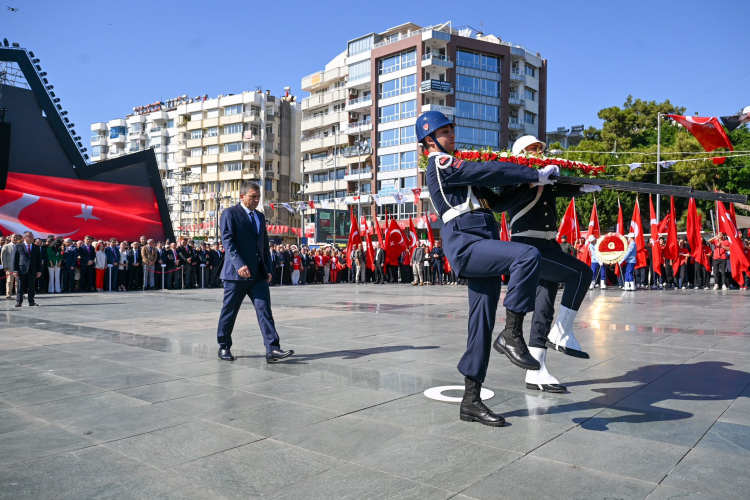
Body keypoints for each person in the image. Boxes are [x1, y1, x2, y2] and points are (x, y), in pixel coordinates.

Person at [420, 111, 551, 426]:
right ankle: (512, 333)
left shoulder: (460, 171)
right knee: (526, 256)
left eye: (451, 129)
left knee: (480, 324)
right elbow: (488, 170)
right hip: (466, 245)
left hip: (482, 243)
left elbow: (499, 203)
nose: (452, 134)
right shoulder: (441, 163)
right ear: (429, 140)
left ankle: (471, 401)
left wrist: (540, 184)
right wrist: (531, 172)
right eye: (444, 130)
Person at [498, 135, 598, 394]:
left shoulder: (547, 178)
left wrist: (583, 187)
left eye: (541, 150)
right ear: (521, 154)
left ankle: (536, 369)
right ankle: (562, 333)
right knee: (581, 273)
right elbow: (504, 199)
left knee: (544, 309)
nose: (539, 154)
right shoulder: (513, 178)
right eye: (533, 150)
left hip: (549, 245)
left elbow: (561, 187)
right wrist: (534, 179)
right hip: (528, 247)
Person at [216, 180, 293, 363]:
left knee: (264, 310)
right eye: (253, 196)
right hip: (236, 275)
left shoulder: (259, 217)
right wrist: (239, 264)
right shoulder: (230, 213)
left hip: (258, 275)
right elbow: (228, 241)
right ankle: (224, 346)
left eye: (258, 197)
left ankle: (273, 348)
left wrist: (268, 269)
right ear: (242, 196)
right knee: (230, 310)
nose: (257, 200)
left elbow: (264, 246)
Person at [12, 231, 42, 307]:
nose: (32, 238)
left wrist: (39, 270)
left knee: (31, 286)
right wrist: (15, 270)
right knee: (20, 286)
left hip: (32, 269)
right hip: (22, 269)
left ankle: (31, 301)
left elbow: (39, 259)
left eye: (32, 236)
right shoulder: (18, 246)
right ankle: (19, 301)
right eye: (30, 236)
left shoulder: (36, 247)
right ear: (24, 237)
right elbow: (15, 259)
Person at [2, 234, 18, 298]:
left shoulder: (19, 246)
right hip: (9, 266)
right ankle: (8, 293)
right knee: (9, 281)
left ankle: (18, 293)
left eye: (16, 237)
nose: (15, 239)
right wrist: (5, 265)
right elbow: (3, 257)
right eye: (14, 237)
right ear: (10, 238)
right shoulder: (6, 246)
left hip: (18, 267)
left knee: (18, 281)